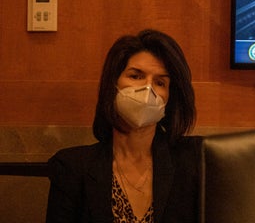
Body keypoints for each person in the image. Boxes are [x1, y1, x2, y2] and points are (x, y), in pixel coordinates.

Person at [46, 29, 200, 223]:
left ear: (170, 97)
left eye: (160, 82)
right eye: (136, 76)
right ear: (113, 84)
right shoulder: (72, 167)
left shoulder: (193, 161)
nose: (147, 89)